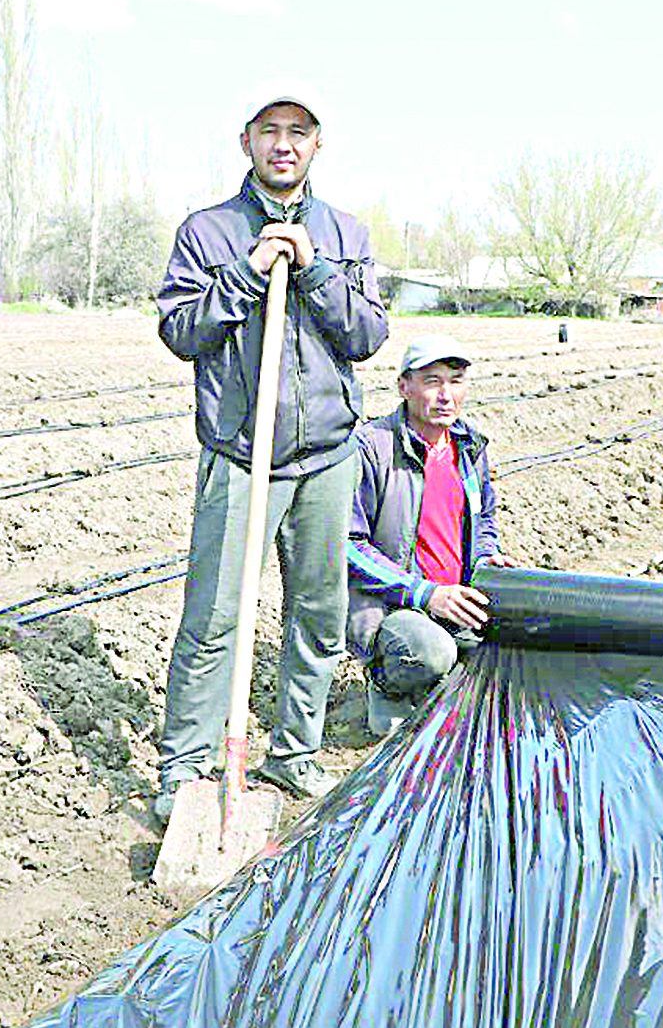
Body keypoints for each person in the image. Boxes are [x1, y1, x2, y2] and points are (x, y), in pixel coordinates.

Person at [152, 87, 388, 821]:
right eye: (269, 131)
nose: (283, 144)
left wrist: (314, 272)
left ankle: (294, 755)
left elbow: (367, 335)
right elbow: (181, 332)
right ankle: (186, 770)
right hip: (239, 453)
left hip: (325, 454)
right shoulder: (208, 232)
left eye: (298, 132)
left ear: (318, 146)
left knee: (318, 613)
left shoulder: (345, 234)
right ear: (245, 142)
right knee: (215, 618)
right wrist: (249, 272)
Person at [348, 336, 516, 736]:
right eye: (432, 381)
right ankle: (387, 685)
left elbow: (484, 517)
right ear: (404, 386)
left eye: (455, 381)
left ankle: (442, 683)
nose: (446, 395)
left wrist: (485, 558)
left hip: (453, 598)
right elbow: (347, 544)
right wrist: (424, 593)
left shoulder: (468, 446)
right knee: (429, 652)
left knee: (517, 651)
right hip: (392, 603)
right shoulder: (373, 447)